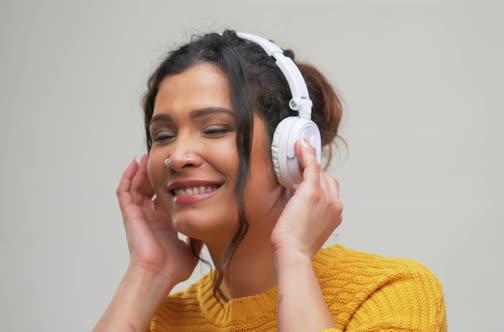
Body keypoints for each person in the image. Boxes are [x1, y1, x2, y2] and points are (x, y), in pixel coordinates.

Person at [94, 30, 447, 332]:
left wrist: (294, 258)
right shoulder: (155, 320)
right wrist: (147, 272)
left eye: (215, 129)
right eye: (163, 135)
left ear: (291, 150)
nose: (177, 155)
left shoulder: (391, 292)